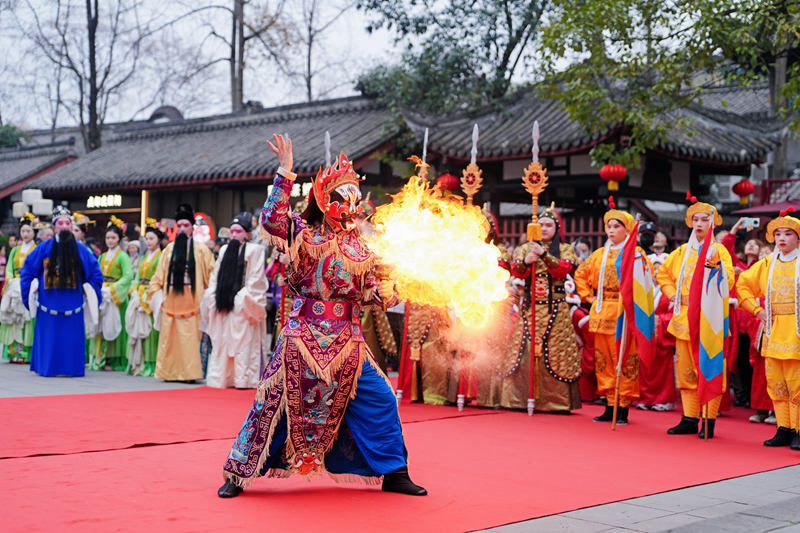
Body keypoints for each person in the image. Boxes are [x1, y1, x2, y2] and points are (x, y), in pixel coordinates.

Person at [218, 135, 426, 498]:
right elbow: (271, 220)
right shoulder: (301, 231)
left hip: (348, 340)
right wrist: (285, 171)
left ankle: (395, 472)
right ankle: (237, 474)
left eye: (355, 199)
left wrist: (383, 291)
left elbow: (376, 289)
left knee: (380, 399)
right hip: (302, 336)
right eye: (344, 199)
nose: (351, 207)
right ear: (324, 200)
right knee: (271, 403)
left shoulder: (362, 246)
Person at [485, 203, 581, 412]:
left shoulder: (565, 249)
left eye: (549, 225)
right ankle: (517, 399)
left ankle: (556, 401)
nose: (544, 228)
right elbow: (515, 272)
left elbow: (564, 270)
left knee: (555, 353)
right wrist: (526, 262)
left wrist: (544, 255)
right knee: (523, 351)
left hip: (555, 308)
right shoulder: (524, 248)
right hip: (529, 308)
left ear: (557, 228)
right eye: (540, 225)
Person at [657, 196, 735, 439]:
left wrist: (715, 276)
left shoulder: (718, 250)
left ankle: (709, 420)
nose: (700, 223)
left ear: (714, 222)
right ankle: (690, 418)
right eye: (696, 219)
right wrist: (674, 295)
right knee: (686, 370)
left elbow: (729, 280)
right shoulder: (681, 251)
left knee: (709, 368)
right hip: (683, 320)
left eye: (705, 219)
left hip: (709, 319)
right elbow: (663, 275)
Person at [575, 201, 653, 424]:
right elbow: (580, 274)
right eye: (608, 226)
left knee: (625, 358)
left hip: (625, 312)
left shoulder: (636, 253)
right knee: (603, 360)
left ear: (627, 229)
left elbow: (644, 283)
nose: (611, 230)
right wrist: (588, 298)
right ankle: (610, 404)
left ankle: (623, 408)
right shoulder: (599, 253)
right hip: (602, 310)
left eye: (616, 226)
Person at [736, 209, 800, 449]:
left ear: (798, 237)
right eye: (778, 233)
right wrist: (756, 310)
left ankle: (798, 430)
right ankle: (783, 429)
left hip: (796, 329)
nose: (782, 238)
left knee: (797, 382)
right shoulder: (766, 263)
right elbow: (743, 284)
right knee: (776, 382)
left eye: (788, 233)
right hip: (773, 328)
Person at [19, 206, 102, 377]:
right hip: (48, 302)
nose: (64, 226)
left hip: (73, 302)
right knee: (49, 337)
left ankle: (71, 368)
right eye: (60, 223)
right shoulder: (43, 247)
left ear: (71, 227)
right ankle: (47, 367)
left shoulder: (81, 249)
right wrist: (31, 290)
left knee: (71, 338)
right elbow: (27, 269)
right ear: (54, 227)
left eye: (67, 223)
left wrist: (89, 292)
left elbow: (95, 273)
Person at [147, 203, 215, 382]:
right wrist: (155, 298)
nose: (183, 228)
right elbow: (157, 278)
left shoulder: (202, 251)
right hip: (170, 307)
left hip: (194, 308)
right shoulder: (168, 251)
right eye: (180, 226)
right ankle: (168, 373)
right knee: (170, 343)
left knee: (191, 343)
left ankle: (190, 374)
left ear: (193, 228)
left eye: (186, 225)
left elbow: (212, 277)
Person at [202, 212, 268, 389]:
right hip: (224, 303)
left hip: (243, 305)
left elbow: (256, 281)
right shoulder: (224, 250)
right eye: (231, 231)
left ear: (247, 234)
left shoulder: (256, 250)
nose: (233, 235)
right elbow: (215, 277)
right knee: (222, 341)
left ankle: (243, 379)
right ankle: (222, 378)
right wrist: (214, 296)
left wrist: (239, 299)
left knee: (243, 342)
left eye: (238, 231)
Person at [88, 217, 134, 371]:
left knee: (115, 325)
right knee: (101, 325)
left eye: (113, 238)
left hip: (115, 296)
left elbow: (128, 276)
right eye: (107, 237)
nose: (110, 240)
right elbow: (96, 274)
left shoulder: (123, 256)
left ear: (119, 239)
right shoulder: (101, 256)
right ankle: (101, 357)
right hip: (103, 294)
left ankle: (114, 360)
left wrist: (113, 289)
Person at [125, 219, 163, 376]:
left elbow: (160, 279)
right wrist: (134, 289)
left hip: (153, 295)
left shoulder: (161, 256)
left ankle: (152, 364)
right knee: (138, 329)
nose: (148, 241)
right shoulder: (144, 257)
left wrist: (149, 296)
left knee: (150, 331)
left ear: (159, 240)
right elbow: (137, 277)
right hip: (140, 293)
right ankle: (139, 363)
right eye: (146, 239)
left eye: (151, 238)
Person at [0, 214, 37, 363]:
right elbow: (9, 268)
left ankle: (26, 353)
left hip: (28, 287)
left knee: (27, 320)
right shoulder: (15, 251)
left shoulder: (37, 249)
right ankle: (13, 352)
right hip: (15, 287)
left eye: (28, 231)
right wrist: (11, 280)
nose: (25, 234)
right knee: (14, 319)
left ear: (34, 232)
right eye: (23, 231)